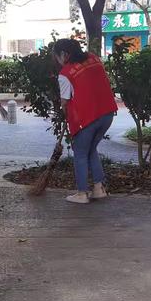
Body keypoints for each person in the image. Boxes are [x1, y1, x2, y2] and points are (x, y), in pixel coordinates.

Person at [54, 38, 118, 204]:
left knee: (80, 152)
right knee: (91, 149)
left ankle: (82, 193)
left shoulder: (65, 73)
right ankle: (98, 188)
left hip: (87, 117)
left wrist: (65, 114)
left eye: (57, 56)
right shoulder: (94, 58)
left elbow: (64, 101)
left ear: (64, 54)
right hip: (107, 113)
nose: (58, 61)